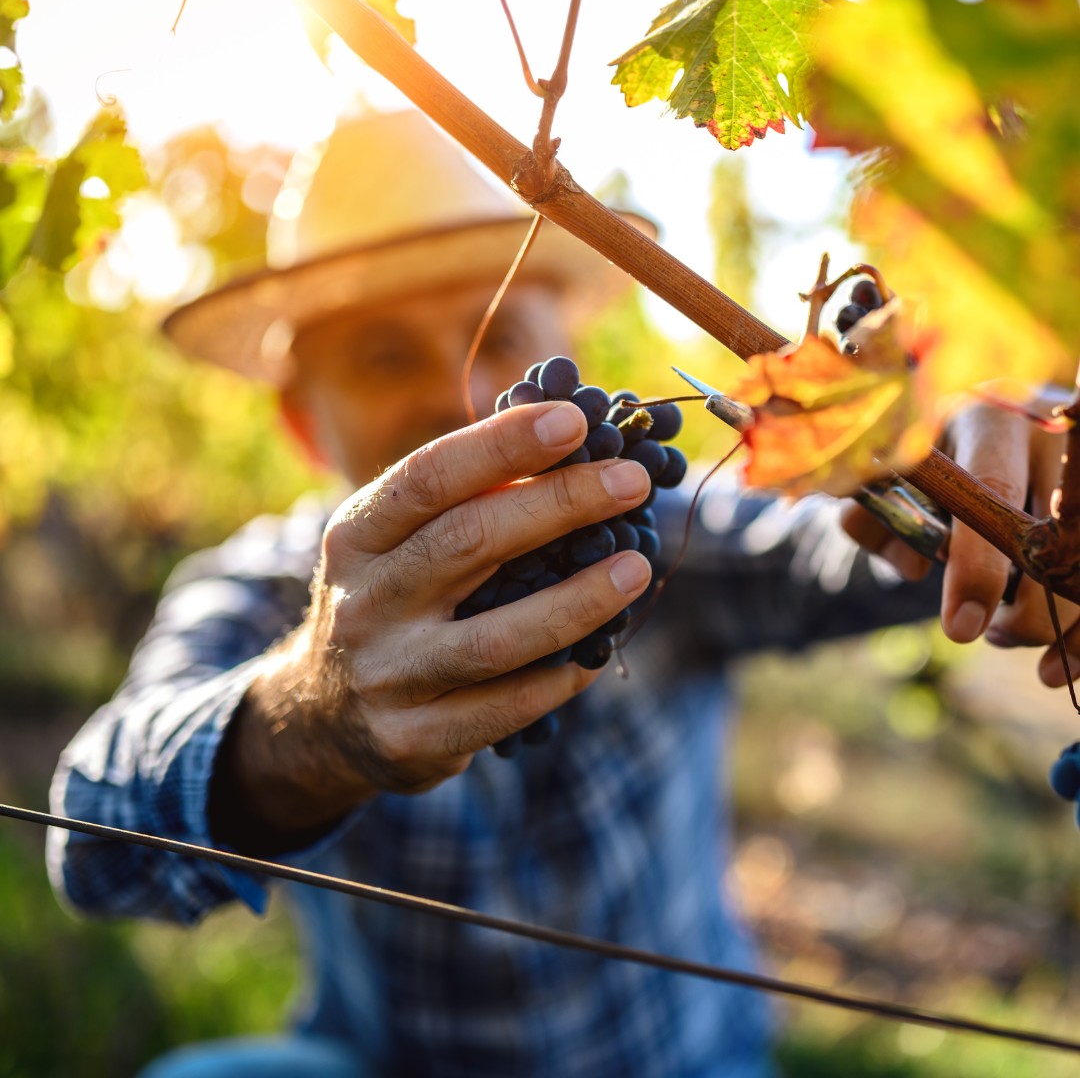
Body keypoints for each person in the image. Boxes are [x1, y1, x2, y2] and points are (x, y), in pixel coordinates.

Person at [46, 108, 1074, 1077]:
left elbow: (837, 548)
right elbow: (92, 842)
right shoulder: (260, 592)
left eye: (497, 338)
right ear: (304, 427)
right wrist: (306, 721)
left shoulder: (669, 538)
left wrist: (987, 481)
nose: (458, 394)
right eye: (382, 355)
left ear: (566, 354)